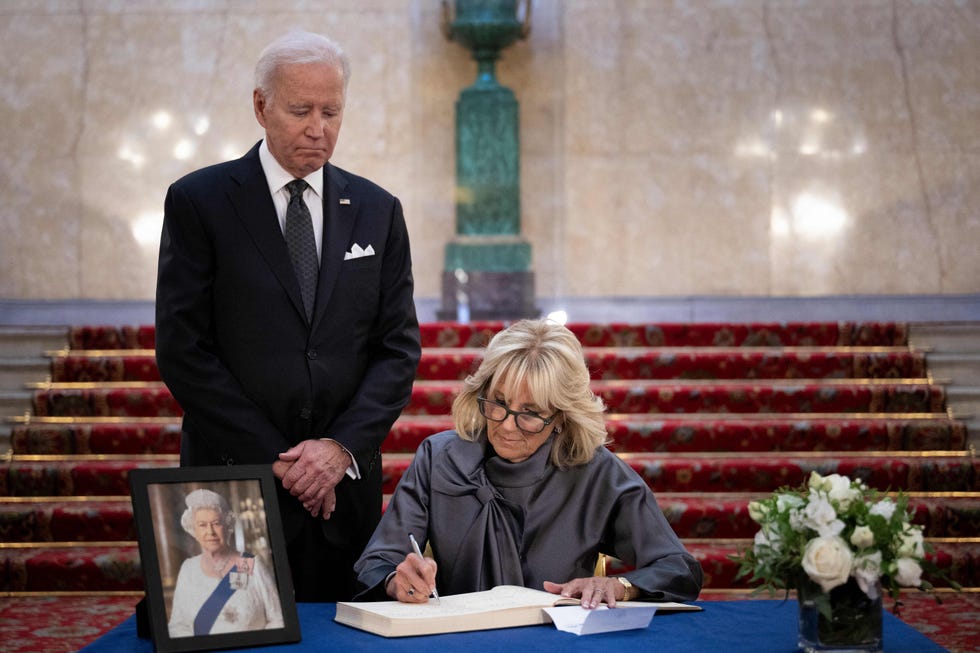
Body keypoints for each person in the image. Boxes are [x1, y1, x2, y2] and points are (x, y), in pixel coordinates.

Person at [155, 29, 421, 602]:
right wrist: (282, 462)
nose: (318, 128)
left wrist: (339, 449)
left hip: (343, 490)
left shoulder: (378, 210)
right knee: (229, 635)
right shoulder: (199, 201)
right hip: (232, 485)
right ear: (260, 106)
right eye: (301, 110)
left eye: (332, 111)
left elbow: (397, 348)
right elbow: (184, 349)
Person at [354, 319, 703, 608]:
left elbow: (678, 568)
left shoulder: (596, 472)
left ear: (561, 418)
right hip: (455, 641)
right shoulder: (438, 457)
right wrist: (395, 580)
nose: (506, 425)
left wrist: (623, 585)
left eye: (531, 413)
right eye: (498, 403)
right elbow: (376, 563)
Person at [168, 489, 284, 637]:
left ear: (227, 526)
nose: (210, 532)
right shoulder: (188, 569)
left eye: (216, 523)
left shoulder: (250, 564)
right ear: (194, 530)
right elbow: (177, 626)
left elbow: (277, 619)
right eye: (202, 525)